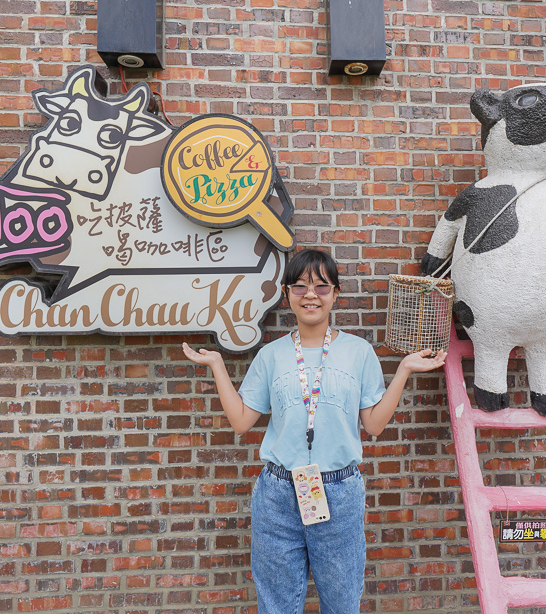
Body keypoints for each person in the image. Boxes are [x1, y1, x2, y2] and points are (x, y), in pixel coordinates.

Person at [182, 248, 446, 614]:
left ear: (336, 294)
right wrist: (216, 365)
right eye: (301, 286)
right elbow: (242, 421)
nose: (311, 295)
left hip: (339, 491)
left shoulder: (359, 351)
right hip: (277, 493)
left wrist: (402, 371)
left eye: (322, 287)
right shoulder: (270, 355)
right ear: (287, 293)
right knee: (276, 605)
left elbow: (373, 424)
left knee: (341, 604)